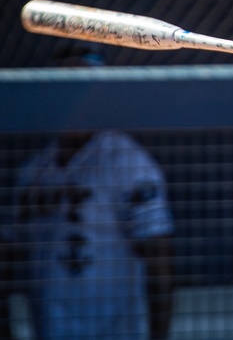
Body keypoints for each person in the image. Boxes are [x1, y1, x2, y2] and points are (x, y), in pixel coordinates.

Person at [1, 43, 175, 339]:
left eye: (83, 88)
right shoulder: (33, 172)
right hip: (49, 329)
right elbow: (6, 262)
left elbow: (160, 265)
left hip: (114, 333)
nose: (74, 100)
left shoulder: (128, 161)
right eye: (64, 89)